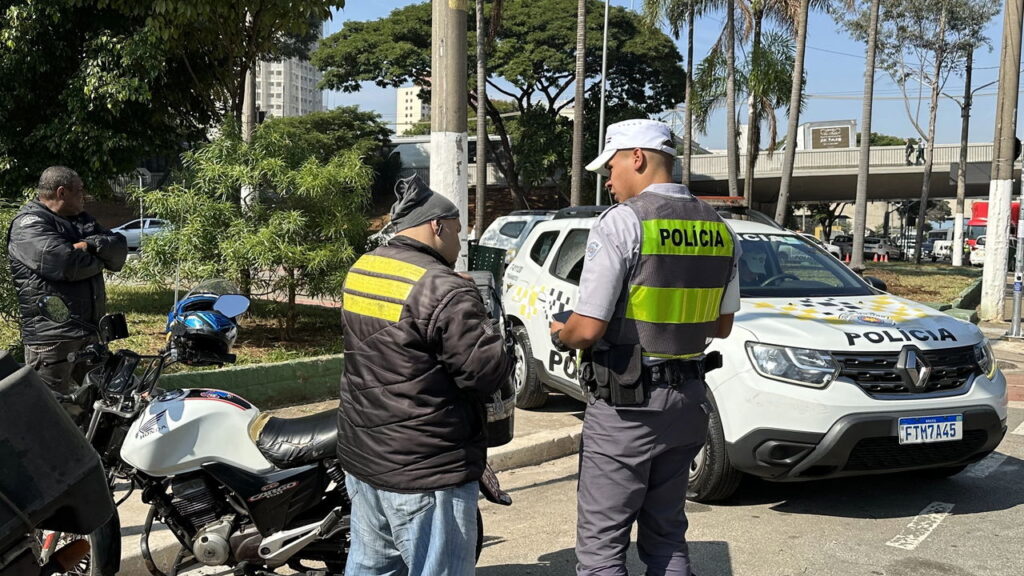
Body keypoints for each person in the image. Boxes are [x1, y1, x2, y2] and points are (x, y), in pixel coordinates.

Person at [550, 119, 740, 576]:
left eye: (611, 167)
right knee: (667, 537)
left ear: (637, 157)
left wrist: (561, 332)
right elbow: (723, 324)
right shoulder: (720, 228)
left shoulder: (622, 223)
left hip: (626, 407)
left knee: (601, 550)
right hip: (689, 403)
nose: (609, 181)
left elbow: (588, 329)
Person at [336, 174, 514, 576]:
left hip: (365, 458)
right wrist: (484, 316)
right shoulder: (444, 288)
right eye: (457, 231)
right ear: (437, 226)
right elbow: (486, 374)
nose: (459, 242)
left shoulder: (364, 268)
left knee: (371, 568)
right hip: (426, 469)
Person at [7, 166, 127, 394]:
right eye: (80, 190)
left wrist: (89, 246)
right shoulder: (28, 224)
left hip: (90, 332)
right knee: (49, 410)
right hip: (53, 339)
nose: (86, 196)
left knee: (97, 403)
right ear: (62, 192)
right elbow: (67, 265)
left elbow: (119, 250)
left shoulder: (82, 220)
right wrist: (99, 258)